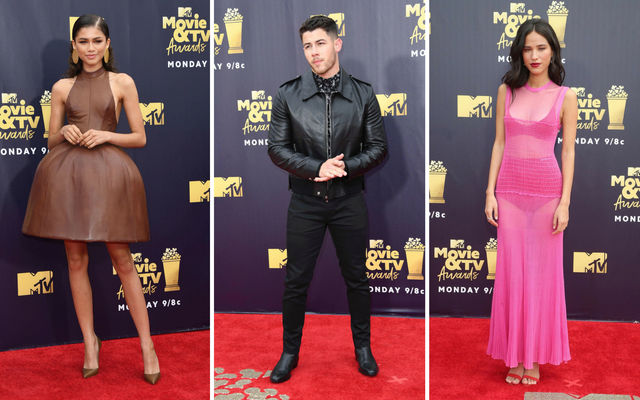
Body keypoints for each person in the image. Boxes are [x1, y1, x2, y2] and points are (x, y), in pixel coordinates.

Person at [22, 14, 160, 384]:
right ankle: (89, 342)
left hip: (109, 176)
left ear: (108, 44)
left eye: (97, 41)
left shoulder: (122, 82)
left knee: (123, 259)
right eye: (83, 41)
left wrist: (106, 135)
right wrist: (64, 131)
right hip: (69, 178)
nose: (90, 48)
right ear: (74, 46)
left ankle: (147, 345)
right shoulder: (61, 87)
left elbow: (140, 137)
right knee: (75, 258)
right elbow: (50, 141)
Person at [267, 15, 387, 383]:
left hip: (349, 200)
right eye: (307, 46)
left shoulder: (363, 94)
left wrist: (344, 168)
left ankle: (363, 349)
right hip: (305, 202)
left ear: (337, 44)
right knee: (295, 282)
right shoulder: (287, 94)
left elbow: (379, 148)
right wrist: (316, 167)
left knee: (357, 279)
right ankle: (289, 353)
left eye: (320, 43)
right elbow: (276, 149)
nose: (314, 52)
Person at [484, 18, 577, 385]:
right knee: (511, 276)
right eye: (528, 48)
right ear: (519, 53)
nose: (534, 55)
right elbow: (499, 143)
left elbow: (568, 151)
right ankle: (514, 355)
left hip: (547, 196)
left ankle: (533, 357)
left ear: (553, 51)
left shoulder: (566, 96)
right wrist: (490, 192)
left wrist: (565, 202)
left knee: (541, 278)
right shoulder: (506, 91)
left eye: (541, 48)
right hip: (508, 194)